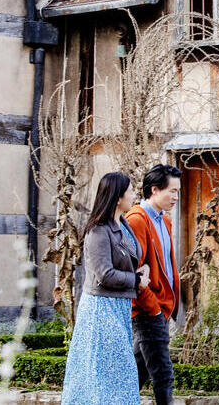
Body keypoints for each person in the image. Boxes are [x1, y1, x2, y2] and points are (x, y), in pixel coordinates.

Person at [61, 172, 149, 405]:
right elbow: (104, 274)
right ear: (117, 197)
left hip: (119, 306)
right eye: (130, 191)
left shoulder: (124, 225)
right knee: (103, 372)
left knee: (118, 371)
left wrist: (141, 272)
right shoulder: (98, 231)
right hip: (101, 309)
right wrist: (136, 280)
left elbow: (128, 259)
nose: (134, 195)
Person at [126, 164, 182, 405]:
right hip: (148, 308)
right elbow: (135, 272)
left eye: (178, 192)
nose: (176, 197)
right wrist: (153, 308)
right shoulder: (137, 220)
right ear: (154, 190)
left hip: (161, 308)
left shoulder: (164, 221)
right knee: (163, 374)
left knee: (138, 370)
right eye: (172, 191)